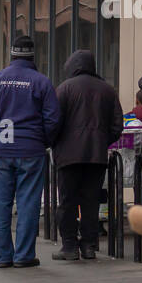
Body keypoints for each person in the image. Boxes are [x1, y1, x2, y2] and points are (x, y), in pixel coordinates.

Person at [0, 35, 61, 269]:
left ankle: (2, 257)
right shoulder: (41, 82)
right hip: (31, 150)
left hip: (0, 152)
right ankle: (23, 255)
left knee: (0, 206)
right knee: (28, 204)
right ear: (33, 56)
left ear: (11, 55)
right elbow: (53, 119)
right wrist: (43, 140)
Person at [50, 50, 123, 262]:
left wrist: (56, 143)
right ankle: (90, 246)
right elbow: (117, 126)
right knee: (91, 202)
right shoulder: (108, 90)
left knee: (67, 201)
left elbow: (54, 123)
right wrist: (101, 141)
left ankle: (70, 246)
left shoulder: (64, 89)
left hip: (68, 156)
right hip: (96, 156)